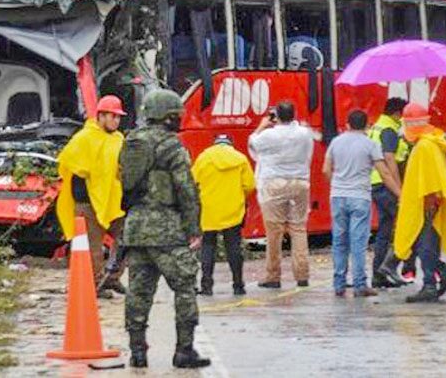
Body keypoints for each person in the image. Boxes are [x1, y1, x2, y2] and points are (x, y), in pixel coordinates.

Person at [120, 89, 210, 369]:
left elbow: (124, 180)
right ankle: (184, 351)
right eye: (176, 115)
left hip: (135, 229)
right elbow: (185, 189)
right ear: (167, 117)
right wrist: (194, 227)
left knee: (138, 291)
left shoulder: (131, 143)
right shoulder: (172, 147)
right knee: (184, 287)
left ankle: (137, 352)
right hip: (166, 229)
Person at [323, 110, 401, 297]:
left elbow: (326, 170)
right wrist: (400, 194)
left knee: (339, 241)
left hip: (338, 196)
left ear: (348, 124)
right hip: (360, 197)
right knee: (358, 242)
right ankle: (359, 285)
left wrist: (336, 186)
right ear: (366, 125)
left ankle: (339, 285)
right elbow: (384, 173)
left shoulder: (335, 142)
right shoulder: (371, 144)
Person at [56, 95, 127, 298]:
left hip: (113, 201)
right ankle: (97, 284)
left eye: (118, 117)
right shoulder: (83, 138)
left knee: (126, 237)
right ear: (101, 116)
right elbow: (71, 166)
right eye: (113, 116)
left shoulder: (118, 139)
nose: (116, 121)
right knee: (92, 249)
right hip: (87, 203)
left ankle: (112, 277)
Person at [393, 103, 446, 303]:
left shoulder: (425, 146)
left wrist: (430, 199)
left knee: (425, 243)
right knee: (426, 242)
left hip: (427, 202)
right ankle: (442, 274)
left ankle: (430, 284)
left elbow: (429, 177)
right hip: (431, 200)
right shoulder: (436, 140)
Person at [248, 101, 314, 289]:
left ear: (276, 116)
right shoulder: (304, 134)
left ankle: (273, 276)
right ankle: (302, 275)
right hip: (299, 183)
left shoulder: (268, 135)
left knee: (274, 233)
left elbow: (252, 144)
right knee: (299, 229)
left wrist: (262, 125)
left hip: (273, 184)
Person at [192, 134, 255, 296]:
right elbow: (250, 185)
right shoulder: (240, 159)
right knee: (233, 246)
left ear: (215, 143)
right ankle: (238, 285)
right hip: (233, 209)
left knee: (208, 246)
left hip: (209, 210)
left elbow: (193, 181)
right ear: (230, 144)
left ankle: (206, 286)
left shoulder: (204, 158)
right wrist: (239, 197)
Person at [368, 97, 410, 288]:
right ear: (396, 113)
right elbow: (389, 159)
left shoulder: (377, 126)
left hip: (375, 184)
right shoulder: (389, 130)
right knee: (407, 227)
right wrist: (398, 188)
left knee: (385, 231)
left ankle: (379, 275)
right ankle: (390, 267)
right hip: (386, 185)